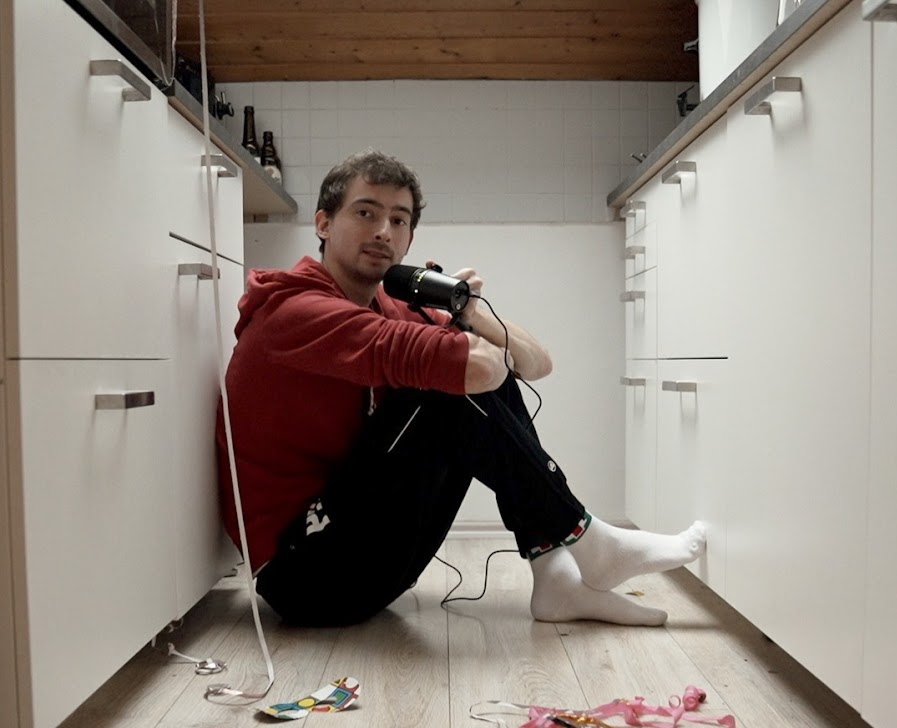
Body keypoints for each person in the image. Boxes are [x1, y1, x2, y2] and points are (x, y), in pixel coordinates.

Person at [215, 148, 706, 628]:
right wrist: (465, 348)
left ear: (409, 239)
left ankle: (554, 571)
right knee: (445, 385)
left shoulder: (388, 308)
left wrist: (470, 314)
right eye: (365, 213)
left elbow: (538, 364)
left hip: (367, 554)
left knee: (454, 371)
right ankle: (588, 539)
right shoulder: (294, 311)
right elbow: (480, 371)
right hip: (304, 576)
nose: (384, 231)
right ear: (323, 223)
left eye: (399, 220)